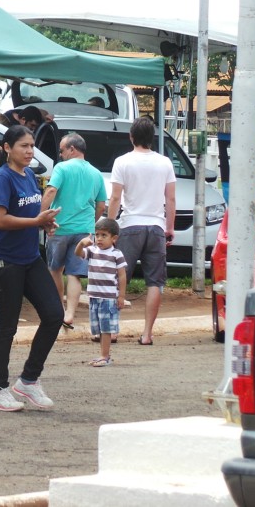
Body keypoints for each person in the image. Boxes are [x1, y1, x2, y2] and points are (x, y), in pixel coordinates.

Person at [0, 125, 63, 412]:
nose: (29, 151)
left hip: (30, 258)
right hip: (4, 262)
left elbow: (30, 213)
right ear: (7, 148)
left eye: (31, 146)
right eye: (23, 146)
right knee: (7, 327)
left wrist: (45, 222)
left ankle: (28, 380)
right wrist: (35, 222)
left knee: (55, 315)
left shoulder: (29, 175)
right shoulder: (0, 179)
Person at [107, 117, 176, 346]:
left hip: (129, 226)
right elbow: (170, 198)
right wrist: (169, 227)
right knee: (155, 282)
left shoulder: (122, 162)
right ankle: (147, 334)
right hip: (156, 226)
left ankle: (113, 331)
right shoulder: (165, 162)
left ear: (131, 137)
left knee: (118, 278)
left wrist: (109, 226)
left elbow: (116, 198)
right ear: (152, 138)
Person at [40, 133, 106, 330]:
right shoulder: (96, 173)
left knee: (55, 270)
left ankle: (57, 310)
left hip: (60, 228)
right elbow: (101, 205)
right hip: (84, 231)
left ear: (72, 149)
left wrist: (41, 216)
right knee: (75, 274)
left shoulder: (62, 168)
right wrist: (90, 225)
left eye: (62, 150)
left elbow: (51, 191)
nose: (60, 154)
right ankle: (69, 314)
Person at [75, 218, 127, 367]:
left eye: (104, 235)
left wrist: (121, 296)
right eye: (97, 235)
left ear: (114, 238)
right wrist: (81, 243)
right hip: (94, 296)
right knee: (98, 327)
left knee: (106, 328)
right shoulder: (92, 251)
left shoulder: (116, 254)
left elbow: (122, 275)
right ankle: (103, 355)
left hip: (109, 298)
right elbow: (78, 253)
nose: (99, 239)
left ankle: (105, 356)